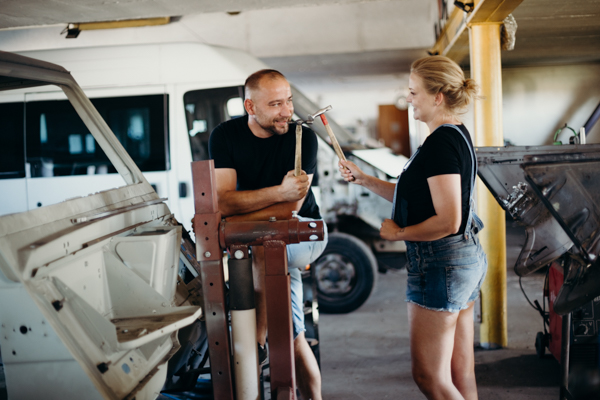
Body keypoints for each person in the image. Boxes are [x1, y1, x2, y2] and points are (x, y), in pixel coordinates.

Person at [339, 55, 488, 400]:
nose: (408, 99)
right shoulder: (453, 135)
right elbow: (417, 196)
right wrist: (364, 180)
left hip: (441, 263)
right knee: (457, 371)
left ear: (437, 96)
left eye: (413, 92)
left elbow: (447, 220)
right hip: (461, 260)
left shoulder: (439, 145)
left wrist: (399, 234)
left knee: (429, 377)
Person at [208, 69, 327, 400]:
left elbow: (291, 210)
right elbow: (223, 201)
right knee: (290, 333)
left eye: (288, 101)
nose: (286, 112)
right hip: (259, 234)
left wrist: (236, 215)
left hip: (306, 233)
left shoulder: (303, 138)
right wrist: (278, 191)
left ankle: (256, 344)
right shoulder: (225, 136)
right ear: (250, 106)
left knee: (263, 245)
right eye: (275, 104)